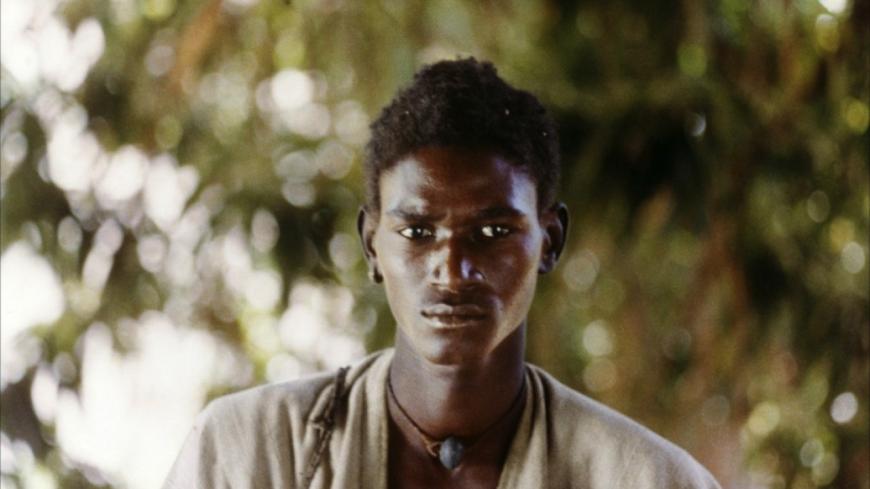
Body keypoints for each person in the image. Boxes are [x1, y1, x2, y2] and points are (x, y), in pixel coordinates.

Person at [163, 58, 722, 489]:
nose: (453, 271)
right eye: (417, 232)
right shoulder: (249, 453)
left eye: (493, 231)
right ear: (372, 245)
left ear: (549, 241)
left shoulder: (647, 479)